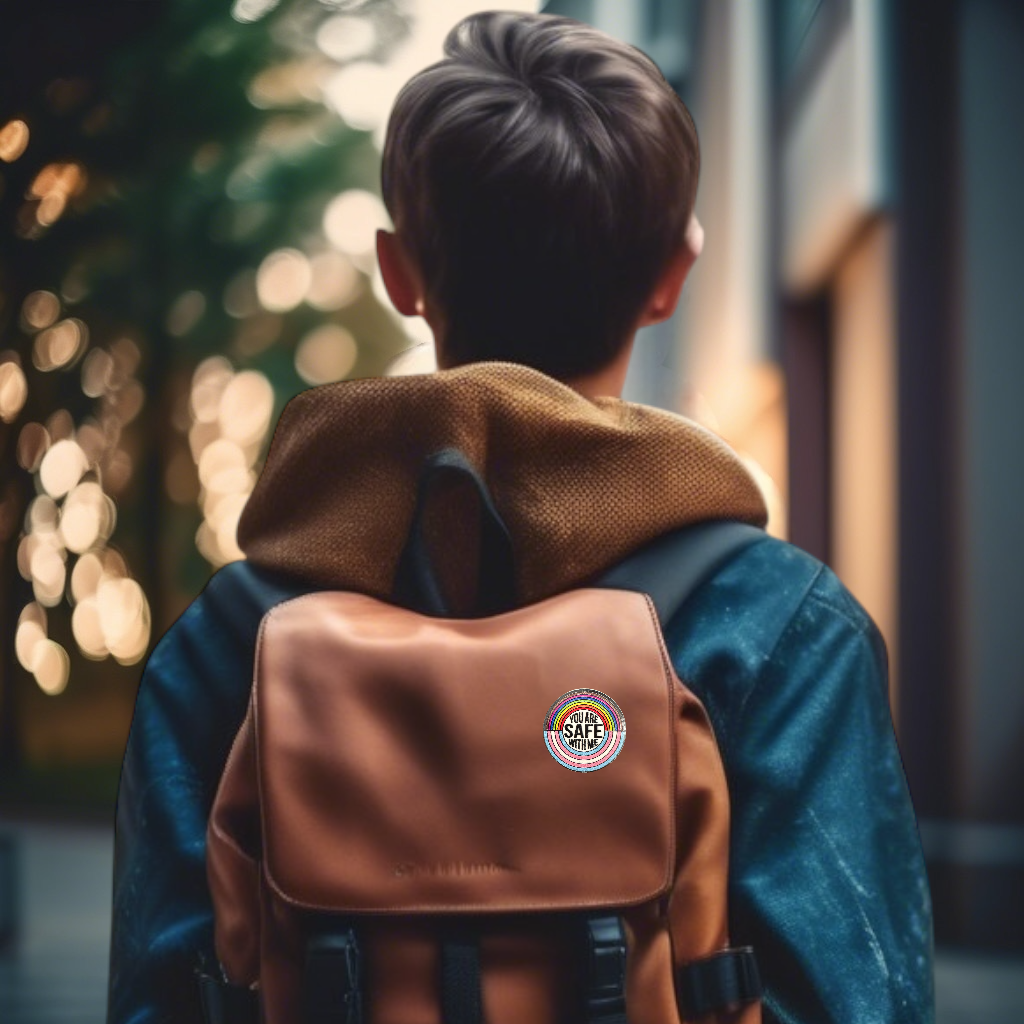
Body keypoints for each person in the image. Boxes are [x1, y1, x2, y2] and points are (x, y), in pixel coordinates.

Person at [108, 11, 934, 1024]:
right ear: (674, 274)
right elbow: (861, 998)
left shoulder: (227, 645)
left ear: (398, 271)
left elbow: (159, 1000)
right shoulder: (786, 631)